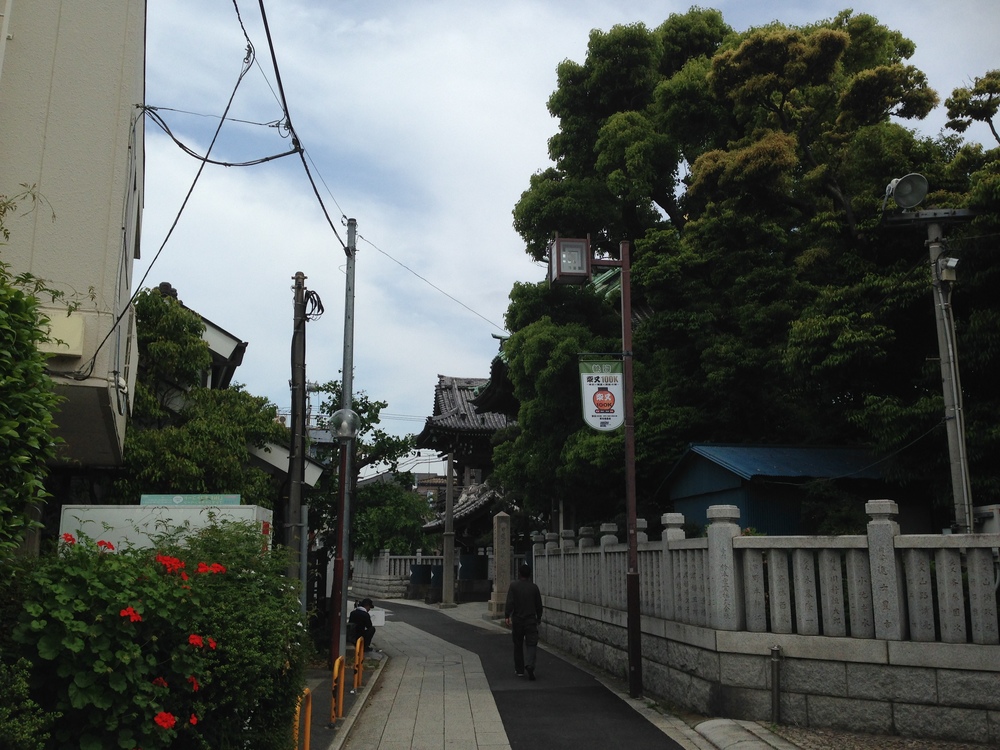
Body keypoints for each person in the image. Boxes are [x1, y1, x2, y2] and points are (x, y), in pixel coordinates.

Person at [504, 563, 543, 681]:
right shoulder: (534, 587)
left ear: (519, 573)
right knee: (531, 644)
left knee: (518, 644)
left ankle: (519, 669)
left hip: (518, 620)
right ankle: (530, 664)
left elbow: (510, 602)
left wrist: (507, 615)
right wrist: (539, 617)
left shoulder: (514, 586)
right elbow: (539, 605)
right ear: (530, 575)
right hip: (531, 620)